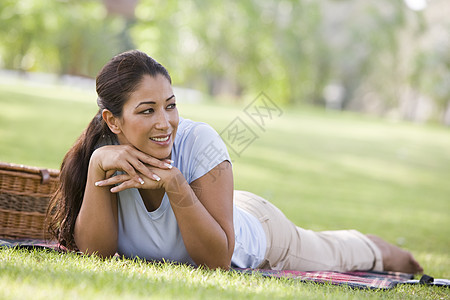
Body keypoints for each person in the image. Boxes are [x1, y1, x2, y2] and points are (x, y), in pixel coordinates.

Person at [47, 50, 423, 274]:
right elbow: (97, 255)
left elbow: (216, 260)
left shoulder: (198, 142)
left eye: (171, 105)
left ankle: (398, 255)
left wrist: (175, 184)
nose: (165, 123)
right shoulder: (103, 157)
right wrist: (98, 164)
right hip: (219, 203)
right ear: (114, 121)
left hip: (257, 231)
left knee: (342, 254)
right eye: (147, 110)